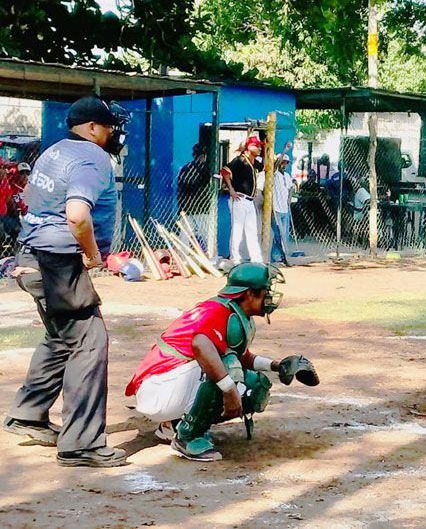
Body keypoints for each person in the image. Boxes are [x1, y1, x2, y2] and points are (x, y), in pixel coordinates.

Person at [3, 95, 131, 467]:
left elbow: (33, 200)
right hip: (58, 264)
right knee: (90, 340)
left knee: (62, 337)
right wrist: (92, 254)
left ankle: (28, 415)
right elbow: (76, 215)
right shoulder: (92, 157)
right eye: (107, 126)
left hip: (32, 257)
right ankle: (82, 444)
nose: (111, 133)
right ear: (92, 128)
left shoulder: (54, 150)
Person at [124, 263, 319, 461]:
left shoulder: (231, 311)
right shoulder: (217, 312)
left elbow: (242, 357)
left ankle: (173, 425)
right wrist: (229, 389)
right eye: (265, 291)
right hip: (157, 390)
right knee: (226, 372)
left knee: (254, 384)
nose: (269, 297)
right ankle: (187, 438)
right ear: (250, 294)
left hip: (168, 385)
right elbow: (201, 345)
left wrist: (275, 366)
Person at [221, 135, 264, 264]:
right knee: (238, 229)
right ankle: (235, 257)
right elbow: (225, 172)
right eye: (256, 146)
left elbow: (264, 167)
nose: (259, 148)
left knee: (252, 230)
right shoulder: (240, 160)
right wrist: (231, 190)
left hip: (250, 200)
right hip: (240, 198)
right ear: (249, 147)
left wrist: (267, 147)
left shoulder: (253, 162)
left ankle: (256, 258)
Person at [177, 144, 211, 249]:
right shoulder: (206, 168)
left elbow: (180, 186)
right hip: (201, 206)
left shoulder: (185, 168)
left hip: (187, 206)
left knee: (185, 234)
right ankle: (210, 256)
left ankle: (183, 256)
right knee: (206, 235)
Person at [271, 147, 295, 266]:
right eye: (282, 162)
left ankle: (283, 255)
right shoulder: (275, 174)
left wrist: (289, 199)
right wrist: (284, 151)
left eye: (286, 163)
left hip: (285, 209)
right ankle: (276, 257)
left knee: (284, 234)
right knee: (277, 234)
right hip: (276, 208)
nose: (284, 164)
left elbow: (291, 188)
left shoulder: (287, 175)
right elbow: (274, 166)